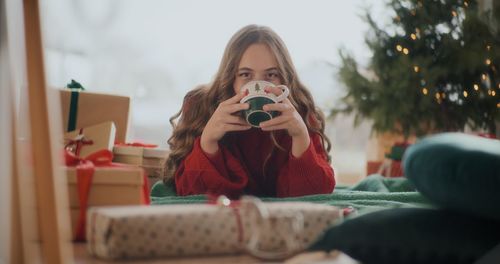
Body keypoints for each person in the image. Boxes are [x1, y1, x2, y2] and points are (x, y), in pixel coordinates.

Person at [165, 25, 335, 198]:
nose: (258, 86)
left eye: (271, 75)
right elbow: (191, 195)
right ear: (230, 78)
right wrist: (207, 141)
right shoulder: (200, 105)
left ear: (284, 78)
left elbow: (316, 195)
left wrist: (301, 137)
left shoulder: (300, 108)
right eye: (246, 75)